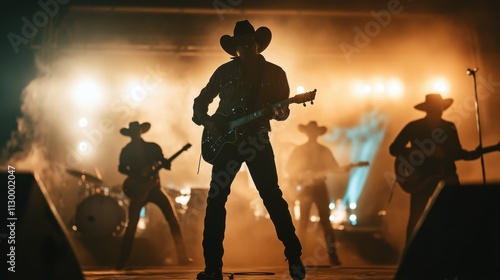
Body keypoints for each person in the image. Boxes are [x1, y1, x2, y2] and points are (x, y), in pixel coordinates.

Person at [192, 20, 305, 280]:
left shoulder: (275, 73)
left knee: (272, 196)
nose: (245, 47)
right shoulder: (223, 72)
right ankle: (212, 268)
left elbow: (283, 112)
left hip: (257, 141)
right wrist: (209, 123)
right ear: (235, 48)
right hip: (226, 146)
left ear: (257, 44)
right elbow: (200, 102)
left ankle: (295, 255)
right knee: (216, 200)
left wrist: (280, 111)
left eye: (249, 42)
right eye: (240, 44)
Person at [389, 93, 481, 243]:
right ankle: (410, 257)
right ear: (428, 110)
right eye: (435, 108)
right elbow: (394, 149)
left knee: (454, 216)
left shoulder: (449, 127)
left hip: (446, 176)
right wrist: (423, 152)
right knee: (416, 219)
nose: (438, 111)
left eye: (439, 108)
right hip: (422, 179)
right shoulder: (414, 127)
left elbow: (456, 151)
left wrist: (473, 154)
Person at [116, 121, 192, 269]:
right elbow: (121, 168)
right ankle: (122, 260)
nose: (134, 135)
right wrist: (135, 174)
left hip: (154, 188)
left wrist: (165, 163)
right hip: (139, 190)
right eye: (133, 132)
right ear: (131, 134)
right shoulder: (127, 150)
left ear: (139, 132)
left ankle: (182, 257)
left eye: (136, 132)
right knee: (131, 225)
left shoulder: (152, 148)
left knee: (172, 219)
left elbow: (164, 163)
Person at [286, 121, 345, 266]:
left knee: (324, 223)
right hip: (308, 188)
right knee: (304, 223)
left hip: (319, 188)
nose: (312, 135)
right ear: (307, 133)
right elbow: (289, 168)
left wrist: (346, 168)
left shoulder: (323, 151)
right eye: (310, 132)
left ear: (317, 134)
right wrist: (300, 176)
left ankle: (332, 256)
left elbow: (335, 168)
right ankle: (298, 257)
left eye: (314, 132)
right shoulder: (300, 151)